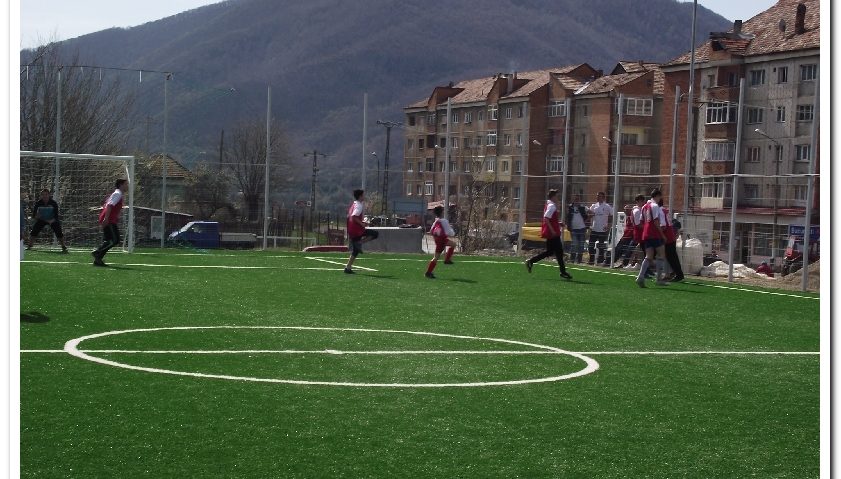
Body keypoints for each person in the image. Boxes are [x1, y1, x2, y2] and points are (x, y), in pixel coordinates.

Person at [525, 189, 572, 280]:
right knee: (559, 252)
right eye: (557, 196)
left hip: (552, 232)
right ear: (553, 197)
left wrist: (558, 223)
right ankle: (563, 272)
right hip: (553, 233)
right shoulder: (552, 206)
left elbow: (549, 219)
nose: (558, 198)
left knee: (550, 252)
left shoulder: (549, 205)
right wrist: (553, 230)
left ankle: (531, 261)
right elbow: (546, 218)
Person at [635, 189, 668, 287]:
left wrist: (646, 228)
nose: (660, 199)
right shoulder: (655, 206)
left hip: (646, 233)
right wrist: (662, 234)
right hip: (654, 233)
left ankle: (640, 276)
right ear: (657, 196)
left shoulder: (645, 206)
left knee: (648, 256)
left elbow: (641, 221)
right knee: (661, 254)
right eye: (660, 197)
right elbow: (656, 221)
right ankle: (658, 280)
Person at [91, 179, 128, 266]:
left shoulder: (117, 194)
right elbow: (109, 205)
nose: (127, 186)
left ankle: (98, 260)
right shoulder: (118, 194)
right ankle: (98, 252)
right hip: (109, 220)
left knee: (108, 240)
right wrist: (106, 218)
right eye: (126, 184)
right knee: (115, 240)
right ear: (121, 185)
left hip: (109, 219)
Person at [344, 189, 379, 274]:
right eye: (363, 195)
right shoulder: (359, 205)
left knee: (356, 250)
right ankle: (360, 242)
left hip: (352, 229)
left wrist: (362, 222)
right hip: (357, 230)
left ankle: (348, 268)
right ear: (360, 196)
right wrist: (362, 224)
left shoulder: (354, 204)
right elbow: (354, 216)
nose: (364, 196)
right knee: (375, 234)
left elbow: (351, 217)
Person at [27, 188, 68, 253]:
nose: (44, 196)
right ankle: (29, 246)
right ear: (41, 195)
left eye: (46, 194)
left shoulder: (53, 203)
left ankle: (63, 246)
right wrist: (37, 217)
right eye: (43, 194)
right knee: (34, 230)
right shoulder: (38, 203)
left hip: (52, 220)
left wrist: (51, 220)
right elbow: (34, 215)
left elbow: (56, 216)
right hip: (42, 220)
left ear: (49, 195)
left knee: (58, 231)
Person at [425, 205, 456, 279]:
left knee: (436, 257)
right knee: (453, 245)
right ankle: (447, 260)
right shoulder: (444, 221)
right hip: (442, 240)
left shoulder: (436, 221)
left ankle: (428, 272)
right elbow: (450, 232)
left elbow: (431, 231)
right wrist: (452, 233)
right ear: (442, 212)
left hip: (438, 240)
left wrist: (436, 238)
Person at [659, 203, 684, 282]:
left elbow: (663, 226)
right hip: (670, 237)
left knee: (670, 257)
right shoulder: (664, 210)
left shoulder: (660, 211)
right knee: (672, 257)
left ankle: (671, 274)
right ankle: (676, 273)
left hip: (667, 237)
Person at [587, 192, 613, 266]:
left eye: (600, 196)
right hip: (594, 228)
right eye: (597, 196)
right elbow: (589, 215)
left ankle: (600, 261)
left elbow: (611, 215)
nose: (598, 197)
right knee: (591, 245)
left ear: (603, 197)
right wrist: (590, 216)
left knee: (601, 246)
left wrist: (608, 225)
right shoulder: (594, 206)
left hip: (602, 230)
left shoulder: (607, 206)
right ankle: (591, 259)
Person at [566, 195, 588, 264]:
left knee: (581, 245)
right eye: (575, 199)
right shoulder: (570, 207)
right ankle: (572, 259)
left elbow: (591, 212)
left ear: (580, 200)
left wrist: (588, 219)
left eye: (578, 199)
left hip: (582, 228)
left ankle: (579, 260)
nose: (576, 200)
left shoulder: (583, 207)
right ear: (573, 200)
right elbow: (567, 216)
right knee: (574, 244)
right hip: (573, 229)